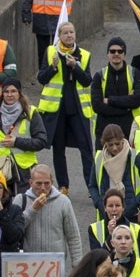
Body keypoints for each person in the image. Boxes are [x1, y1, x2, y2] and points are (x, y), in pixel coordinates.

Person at [35, 22, 95, 191]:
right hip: (56, 110)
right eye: (65, 33)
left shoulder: (84, 54)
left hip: (78, 109)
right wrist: (53, 67)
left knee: (86, 148)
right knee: (58, 149)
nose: (69, 35)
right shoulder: (50, 52)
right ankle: (63, 186)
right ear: (59, 36)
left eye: (72, 32)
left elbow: (87, 80)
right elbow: (42, 78)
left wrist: (75, 67)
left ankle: (92, 187)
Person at [15, 165, 84, 273]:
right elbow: (14, 230)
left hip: (54, 267)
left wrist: (77, 265)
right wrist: (33, 209)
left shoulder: (63, 202)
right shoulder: (20, 200)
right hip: (27, 266)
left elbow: (73, 236)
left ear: (52, 182)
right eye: (38, 183)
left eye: (46, 183)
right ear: (30, 182)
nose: (43, 187)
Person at [0, 77, 48, 193]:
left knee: (24, 207)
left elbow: (42, 141)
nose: (10, 95)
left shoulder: (31, 112)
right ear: (2, 94)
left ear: (19, 93)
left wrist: (17, 142)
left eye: (13, 91)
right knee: (1, 208)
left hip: (24, 169)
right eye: (6, 91)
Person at [92, 37, 140, 140]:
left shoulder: (135, 74)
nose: (116, 54)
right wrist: (126, 107)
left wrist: (110, 100)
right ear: (108, 54)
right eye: (112, 51)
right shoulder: (99, 76)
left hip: (130, 129)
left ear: (124, 53)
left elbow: (138, 99)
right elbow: (97, 106)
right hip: (104, 129)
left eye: (120, 51)